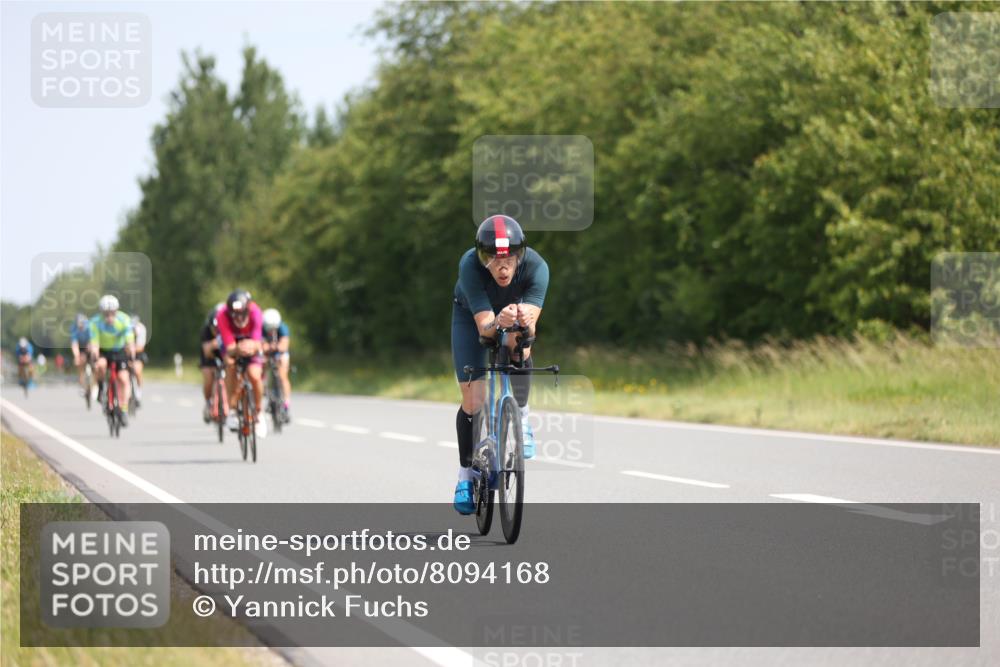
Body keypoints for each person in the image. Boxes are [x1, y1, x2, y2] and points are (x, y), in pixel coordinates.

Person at [450, 215, 549, 514]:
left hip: (512, 316)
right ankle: (466, 475)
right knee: (474, 398)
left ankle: (521, 415)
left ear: (520, 255)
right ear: (481, 257)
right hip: (471, 319)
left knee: (520, 344)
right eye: (491, 259)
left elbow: (530, 329)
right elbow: (485, 329)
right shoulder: (469, 265)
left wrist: (521, 322)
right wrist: (498, 321)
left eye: (508, 259)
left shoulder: (537, 267)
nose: (501, 267)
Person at [217, 290, 267, 439]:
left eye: (242, 314)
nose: (239, 318)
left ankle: (258, 413)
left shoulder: (256, 312)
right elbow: (229, 347)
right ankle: (232, 410)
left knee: (254, 375)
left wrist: (251, 347)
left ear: (248, 309)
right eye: (235, 315)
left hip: (252, 343)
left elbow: (257, 342)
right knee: (230, 365)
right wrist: (237, 349)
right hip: (233, 345)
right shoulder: (222, 315)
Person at [87, 295, 136, 426]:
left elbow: (130, 339)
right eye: (106, 314)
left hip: (119, 350)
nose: (109, 317)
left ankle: (124, 409)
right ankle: (102, 387)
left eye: (112, 313)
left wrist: (131, 352)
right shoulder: (95, 322)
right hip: (103, 350)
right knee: (100, 365)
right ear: (102, 313)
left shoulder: (124, 319)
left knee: (124, 379)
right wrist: (95, 355)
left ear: (116, 311)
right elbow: (94, 343)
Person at [262, 308, 292, 421]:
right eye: (269, 329)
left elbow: (284, 346)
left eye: (274, 328)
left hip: (280, 353)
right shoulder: (261, 329)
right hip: (267, 353)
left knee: (283, 374)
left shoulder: (283, 328)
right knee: (261, 365)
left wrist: (274, 348)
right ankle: (264, 390)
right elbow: (261, 346)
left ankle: (286, 404)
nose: (271, 331)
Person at [199, 303, 225, 422]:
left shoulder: (227, 327)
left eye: (217, 329)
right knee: (208, 376)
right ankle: (208, 401)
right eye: (213, 329)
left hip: (224, 353)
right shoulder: (205, 330)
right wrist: (214, 344)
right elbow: (206, 352)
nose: (215, 331)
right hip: (209, 356)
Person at [70, 312, 93, 394]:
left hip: (90, 344)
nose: (81, 327)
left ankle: (95, 384)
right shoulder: (73, 328)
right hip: (80, 346)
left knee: (95, 361)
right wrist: (77, 356)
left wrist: (89, 350)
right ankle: (82, 384)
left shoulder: (90, 326)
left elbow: (92, 341)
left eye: (82, 325)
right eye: (79, 325)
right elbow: (74, 343)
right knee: (79, 363)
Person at [130, 314, 148, 403]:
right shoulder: (125, 328)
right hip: (125, 352)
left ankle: (138, 393)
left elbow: (140, 347)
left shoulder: (142, 329)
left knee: (137, 370)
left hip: (137, 354)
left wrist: (131, 349)